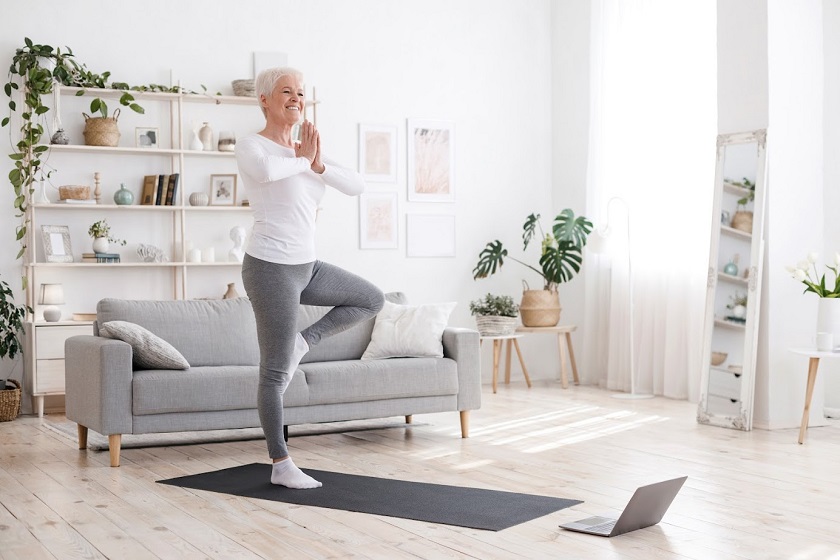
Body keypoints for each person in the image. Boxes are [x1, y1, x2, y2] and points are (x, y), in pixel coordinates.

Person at [235, 67, 384, 489]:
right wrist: (303, 160)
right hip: (269, 268)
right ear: (265, 99)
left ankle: (307, 341)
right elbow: (267, 173)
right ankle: (280, 464)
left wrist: (317, 164)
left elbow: (356, 185)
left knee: (370, 298)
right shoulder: (252, 146)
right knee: (275, 372)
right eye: (287, 91)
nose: (296, 98)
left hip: (308, 265)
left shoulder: (306, 152)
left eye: (301, 92)